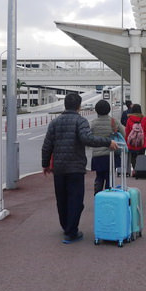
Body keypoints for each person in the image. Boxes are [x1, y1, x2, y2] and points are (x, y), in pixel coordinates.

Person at [42, 93, 119, 244]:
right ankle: (71, 232)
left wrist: (45, 164)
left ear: (65, 105)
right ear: (79, 106)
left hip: (59, 168)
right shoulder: (80, 121)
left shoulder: (54, 123)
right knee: (76, 200)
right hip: (75, 167)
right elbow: (87, 139)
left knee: (62, 199)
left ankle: (66, 227)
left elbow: (47, 145)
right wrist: (107, 142)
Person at [90, 99, 125, 195]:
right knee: (110, 177)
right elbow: (123, 134)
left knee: (99, 176)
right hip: (111, 154)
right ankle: (108, 196)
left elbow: (88, 138)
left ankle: (97, 195)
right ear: (108, 109)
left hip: (97, 155)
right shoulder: (114, 122)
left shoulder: (93, 123)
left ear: (96, 110)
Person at [124, 103, 146, 172]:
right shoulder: (144, 119)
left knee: (133, 157)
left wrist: (125, 141)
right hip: (142, 142)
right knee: (141, 157)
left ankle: (134, 169)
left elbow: (127, 132)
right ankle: (140, 170)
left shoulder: (129, 119)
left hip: (132, 143)